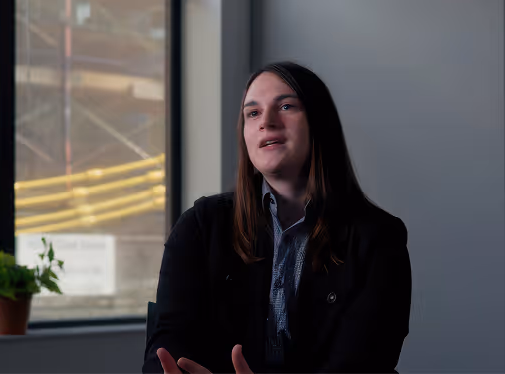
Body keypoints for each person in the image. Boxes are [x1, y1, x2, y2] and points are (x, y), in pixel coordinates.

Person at [142, 61, 411, 373]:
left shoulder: (379, 238)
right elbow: (167, 342)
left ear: (319, 122)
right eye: (252, 113)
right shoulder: (200, 226)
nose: (266, 122)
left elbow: (364, 363)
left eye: (285, 106)